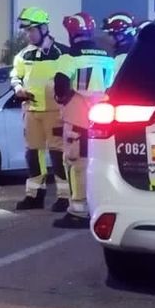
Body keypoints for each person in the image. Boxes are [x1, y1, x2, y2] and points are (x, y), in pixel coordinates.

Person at [10, 7, 68, 211]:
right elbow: (15, 76)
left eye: (32, 30)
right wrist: (18, 88)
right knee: (33, 154)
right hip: (31, 111)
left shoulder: (62, 53)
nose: (29, 34)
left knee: (58, 154)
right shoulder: (24, 54)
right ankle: (34, 195)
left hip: (55, 111)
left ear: (44, 28)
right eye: (27, 31)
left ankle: (65, 197)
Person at [50, 71, 97, 229]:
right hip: (98, 114)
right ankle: (90, 208)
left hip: (76, 114)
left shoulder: (71, 60)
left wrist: (61, 97)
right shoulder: (107, 59)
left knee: (75, 165)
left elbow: (61, 80)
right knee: (88, 164)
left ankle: (78, 212)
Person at [62, 12, 118, 94]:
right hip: (103, 101)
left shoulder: (70, 57)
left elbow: (60, 85)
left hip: (78, 101)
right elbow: (111, 85)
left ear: (72, 34)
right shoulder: (109, 58)